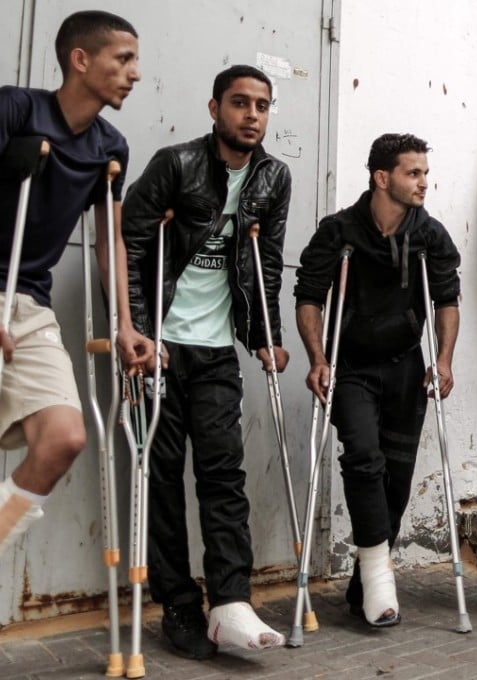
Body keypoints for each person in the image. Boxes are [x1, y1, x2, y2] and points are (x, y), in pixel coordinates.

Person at [122, 64, 291, 658]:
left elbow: (267, 262)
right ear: (215, 107)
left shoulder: (273, 177)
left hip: (218, 349)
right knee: (163, 479)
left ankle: (230, 602)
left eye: (262, 105)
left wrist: (265, 335)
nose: (252, 115)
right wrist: (138, 331)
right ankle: (178, 606)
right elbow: (130, 244)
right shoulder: (176, 164)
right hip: (161, 347)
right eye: (240, 103)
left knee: (224, 476)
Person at [295, 133, 461, 629]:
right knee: (364, 458)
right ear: (382, 178)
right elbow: (309, 296)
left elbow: (446, 300)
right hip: (352, 367)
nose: (424, 183)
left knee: (397, 480)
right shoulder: (339, 231)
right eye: (414, 173)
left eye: (425, 173)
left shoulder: (430, 235)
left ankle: (365, 583)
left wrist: (444, 359)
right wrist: (318, 357)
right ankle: (379, 580)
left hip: (406, 366)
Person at [0, 10, 143, 556]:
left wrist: (124, 324)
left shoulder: (110, 147)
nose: (134, 73)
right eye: (123, 59)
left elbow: (110, 242)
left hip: (29, 303)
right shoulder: (16, 109)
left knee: (64, 437)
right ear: (80, 60)